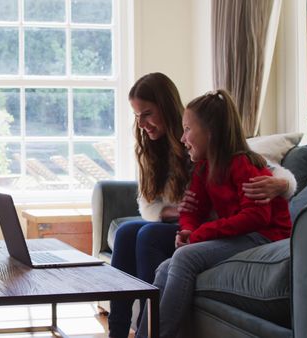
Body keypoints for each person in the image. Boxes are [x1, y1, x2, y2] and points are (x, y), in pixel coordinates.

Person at [107, 73, 296, 338]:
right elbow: (181, 209)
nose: (141, 124)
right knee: (143, 248)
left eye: (147, 114)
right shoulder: (200, 161)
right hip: (216, 229)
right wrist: (186, 226)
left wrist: (283, 185)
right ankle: (127, 333)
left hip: (255, 233)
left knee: (174, 252)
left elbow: (266, 190)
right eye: (137, 116)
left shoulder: (238, 160)